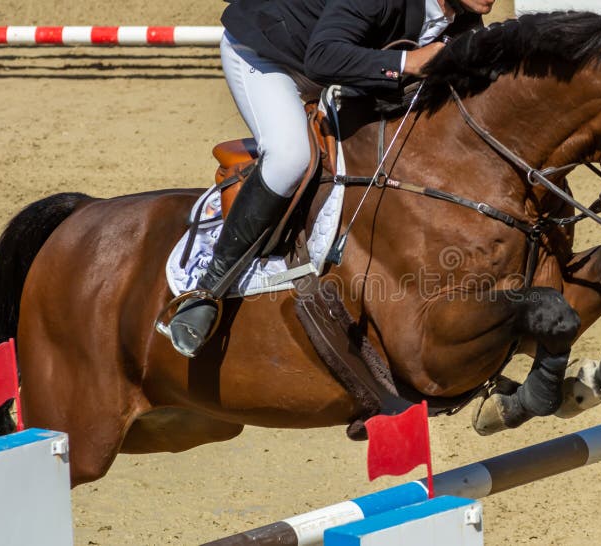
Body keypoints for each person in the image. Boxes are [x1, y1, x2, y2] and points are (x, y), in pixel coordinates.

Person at [168, 0, 496, 357]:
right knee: (291, 157)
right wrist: (409, 62)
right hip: (270, 55)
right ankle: (208, 288)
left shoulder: (464, 19)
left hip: (340, 67)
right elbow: (322, 56)